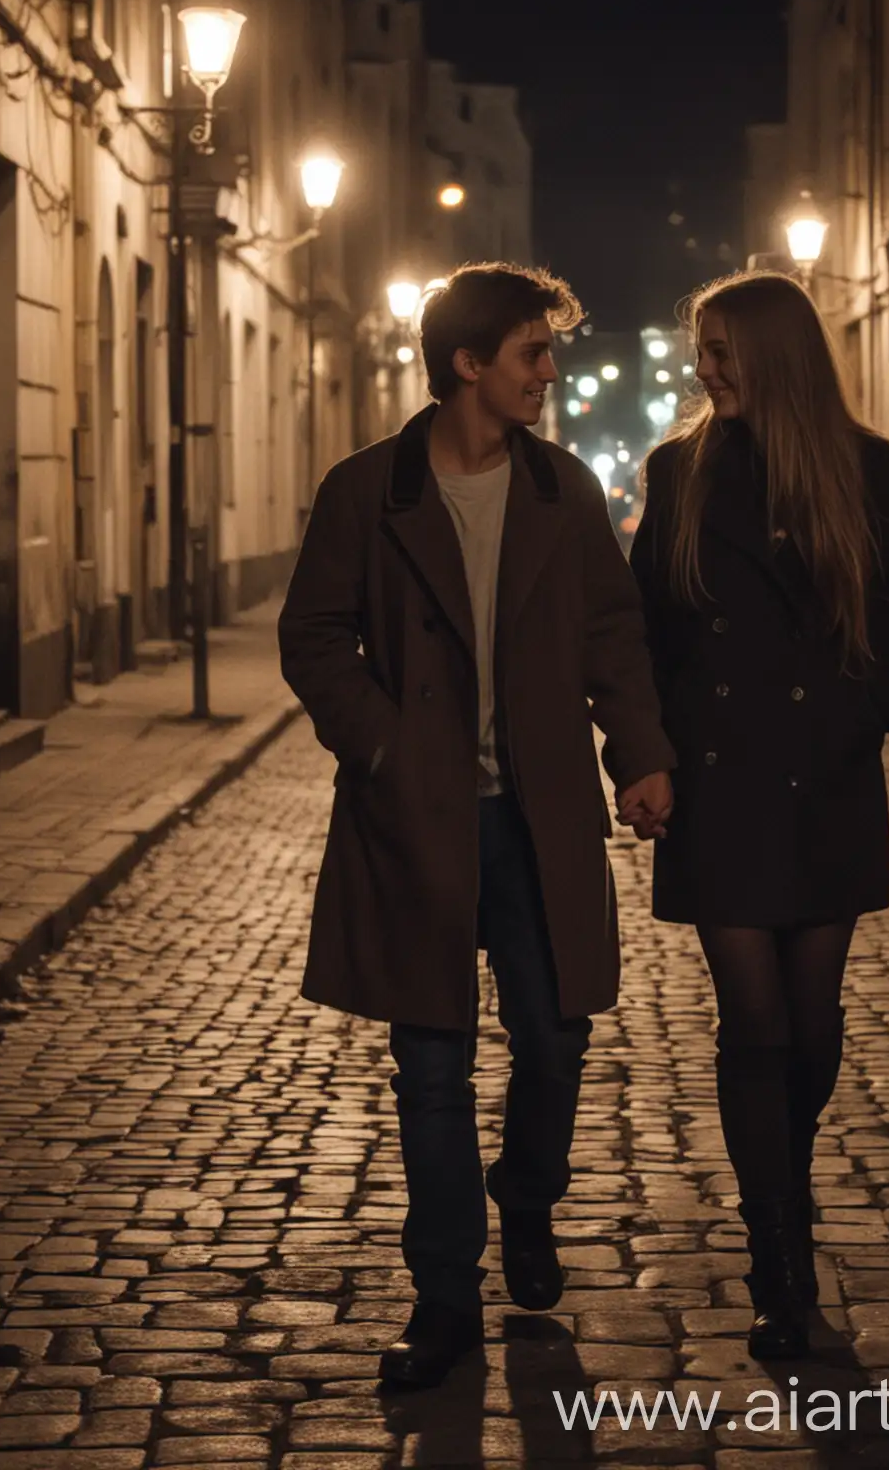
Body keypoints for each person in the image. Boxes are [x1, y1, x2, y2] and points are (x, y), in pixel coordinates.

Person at [279, 263, 676, 1390]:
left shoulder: (563, 492)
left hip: (541, 817)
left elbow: (612, 636)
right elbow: (314, 640)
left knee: (555, 1041)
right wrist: (390, 749)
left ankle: (528, 1198)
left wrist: (639, 753)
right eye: (532, 354)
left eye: (548, 354)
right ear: (469, 365)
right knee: (430, 1065)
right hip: (418, 818)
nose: (549, 373)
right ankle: (444, 1294)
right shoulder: (368, 493)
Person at [626, 270, 889, 1360]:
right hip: (722, 783)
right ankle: (780, 1260)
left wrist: (865, 716)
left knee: (812, 1024)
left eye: (722, 351)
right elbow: (650, 627)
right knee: (753, 1023)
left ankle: (781, 1188)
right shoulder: (682, 471)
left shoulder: (865, 468)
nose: (704, 371)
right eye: (700, 351)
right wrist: (648, 753)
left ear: (777, 355)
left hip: (828, 773)